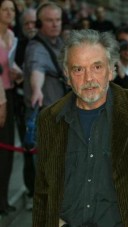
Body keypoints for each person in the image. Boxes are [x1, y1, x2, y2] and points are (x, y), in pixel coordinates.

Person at [33, 29, 128, 227]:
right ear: (67, 76)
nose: (88, 78)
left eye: (97, 67)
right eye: (78, 69)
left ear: (111, 70)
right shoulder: (50, 119)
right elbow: (44, 192)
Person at [0, 0, 23, 216]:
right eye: (5, 9)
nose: (9, 13)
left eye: (12, 10)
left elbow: (11, 65)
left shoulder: (12, 37)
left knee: (6, 152)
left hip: (8, 95)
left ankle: (3, 200)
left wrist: (19, 74)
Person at [14, 8, 37, 211]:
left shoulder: (49, 44)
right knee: (29, 149)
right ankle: (32, 192)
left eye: (33, 23)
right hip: (25, 107)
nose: (30, 27)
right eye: (26, 24)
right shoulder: (18, 46)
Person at [23, 2, 65, 111]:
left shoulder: (60, 42)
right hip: (44, 113)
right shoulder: (36, 47)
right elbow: (37, 68)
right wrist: (37, 89)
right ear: (39, 24)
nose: (55, 24)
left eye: (58, 19)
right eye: (49, 20)